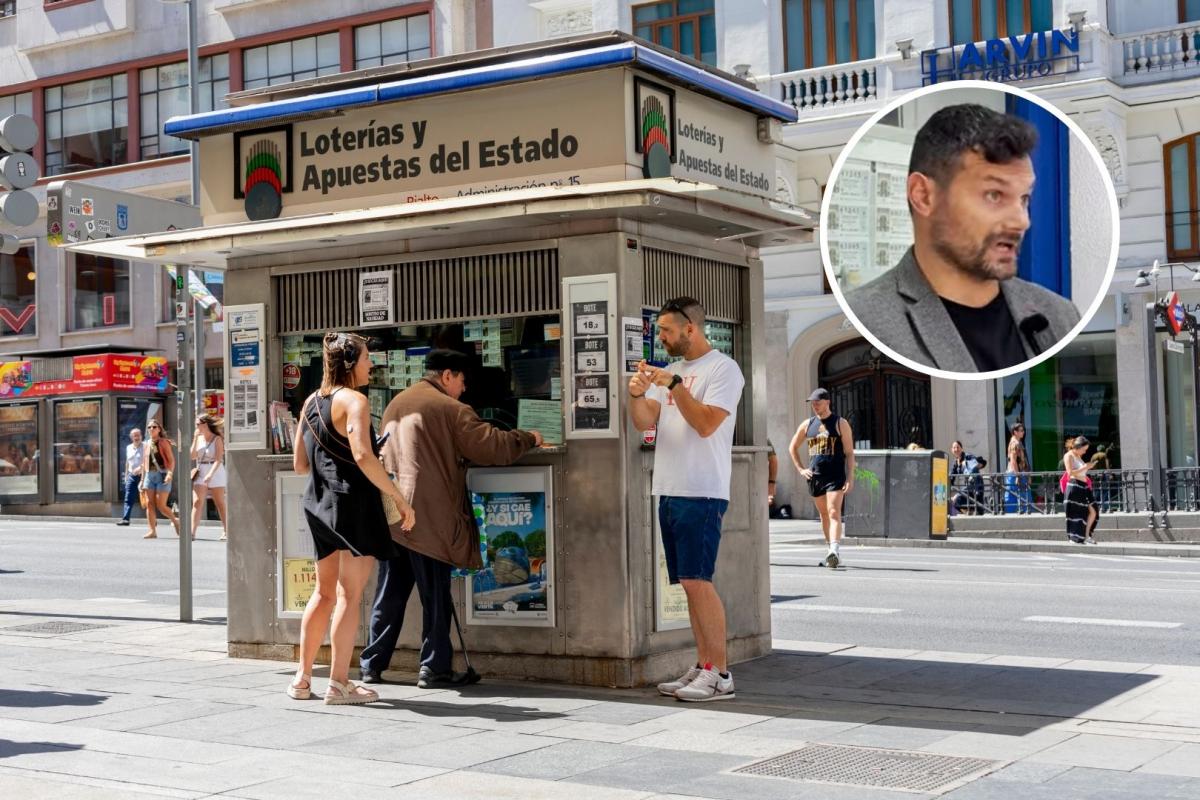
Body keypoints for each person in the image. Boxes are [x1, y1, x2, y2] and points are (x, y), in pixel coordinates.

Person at [843, 104, 1080, 373]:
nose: (1021, 221)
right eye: (994, 195)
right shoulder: (866, 320)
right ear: (923, 195)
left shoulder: (1059, 316)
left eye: (1024, 198)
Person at [361, 349, 542, 688]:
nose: (464, 387)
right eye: (461, 380)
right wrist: (530, 437)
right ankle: (434, 668)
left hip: (395, 517)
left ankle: (372, 664)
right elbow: (492, 447)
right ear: (446, 376)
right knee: (435, 596)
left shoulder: (396, 403)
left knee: (390, 593)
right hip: (430, 518)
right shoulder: (451, 409)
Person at [628, 296, 744, 702]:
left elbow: (707, 424)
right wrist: (637, 393)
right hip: (670, 487)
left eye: (665, 330)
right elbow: (645, 421)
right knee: (688, 584)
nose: (660, 337)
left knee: (699, 581)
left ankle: (721, 674)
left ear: (690, 329)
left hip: (702, 489)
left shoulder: (723, 369)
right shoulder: (673, 370)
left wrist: (674, 386)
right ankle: (703, 665)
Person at [289, 332, 416, 705]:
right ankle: (340, 683)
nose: (371, 364)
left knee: (323, 593)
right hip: (354, 505)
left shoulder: (311, 402)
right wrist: (398, 498)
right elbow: (363, 456)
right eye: (366, 358)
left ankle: (302, 678)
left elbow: (299, 465)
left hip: (317, 503)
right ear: (350, 363)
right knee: (349, 594)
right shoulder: (355, 401)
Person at [789, 388, 855, 569]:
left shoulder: (840, 423)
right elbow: (792, 447)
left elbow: (849, 453)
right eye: (812, 403)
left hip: (835, 475)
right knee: (824, 515)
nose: (815, 406)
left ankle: (835, 550)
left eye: (818, 402)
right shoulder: (807, 424)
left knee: (833, 511)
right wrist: (801, 469)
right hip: (815, 476)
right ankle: (830, 552)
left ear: (827, 402)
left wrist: (850, 477)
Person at [191, 414, 228, 541]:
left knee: (219, 502)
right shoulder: (198, 438)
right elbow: (192, 456)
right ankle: (192, 532)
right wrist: (195, 438)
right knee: (197, 502)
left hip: (215, 470)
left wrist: (210, 474)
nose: (196, 426)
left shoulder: (217, 439)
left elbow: (218, 460)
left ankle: (226, 530)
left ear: (205, 424)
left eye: (198, 424)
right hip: (201, 470)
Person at [141, 422, 181, 539]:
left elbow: (171, 460)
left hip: (162, 475)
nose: (151, 429)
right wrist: (142, 480)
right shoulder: (146, 444)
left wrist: (170, 473)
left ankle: (175, 521)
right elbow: (144, 463)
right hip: (149, 475)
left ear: (159, 429)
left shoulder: (163, 442)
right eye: (149, 427)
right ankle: (152, 531)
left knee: (161, 506)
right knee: (149, 504)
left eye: (154, 427)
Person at [1063, 435, 1099, 544]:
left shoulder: (1078, 456)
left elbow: (1080, 471)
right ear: (1078, 447)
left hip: (1084, 487)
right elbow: (1070, 473)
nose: (1084, 452)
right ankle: (1075, 537)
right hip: (1075, 485)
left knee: (1094, 510)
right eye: (1084, 450)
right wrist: (1085, 467)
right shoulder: (1068, 456)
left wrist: (1088, 467)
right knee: (1077, 512)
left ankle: (1086, 535)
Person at [949, 440, 985, 515]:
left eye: (958, 447)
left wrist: (976, 465)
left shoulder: (968, 456)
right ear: (951, 450)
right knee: (956, 502)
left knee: (979, 509)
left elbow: (981, 462)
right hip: (968, 487)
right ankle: (970, 513)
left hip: (976, 485)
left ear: (962, 449)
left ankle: (973, 513)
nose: (956, 449)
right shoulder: (956, 463)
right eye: (954, 448)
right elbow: (951, 477)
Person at [116, 428, 144, 526]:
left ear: (141, 436)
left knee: (147, 499)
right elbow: (128, 462)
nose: (136, 437)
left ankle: (152, 519)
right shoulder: (128, 447)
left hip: (143, 475)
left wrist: (141, 468)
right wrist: (126, 475)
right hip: (132, 476)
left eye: (138, 435)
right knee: (128, 498)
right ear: (131, 437)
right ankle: (126, 519)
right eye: (134, 436)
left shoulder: (146, 446)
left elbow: (148, 461)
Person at [1005, 422, 1030, 513]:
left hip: (1016, 473)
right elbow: (1013, 461)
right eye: (1021, 430)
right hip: (1016, 473)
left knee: (1016, 496)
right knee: (1019, 496)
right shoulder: (1015, 443)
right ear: (1015, 432)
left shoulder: (1017, 442)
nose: (1023, 432)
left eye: (1023, 430)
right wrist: (1017, 475)